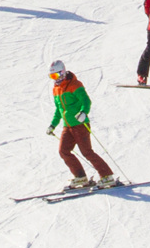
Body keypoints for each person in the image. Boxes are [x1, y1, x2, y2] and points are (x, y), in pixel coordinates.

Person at [46, 60, 117, 189]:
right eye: (51, 77)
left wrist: (83, 112)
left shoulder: (75, 85)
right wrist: (53, 125)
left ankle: (107, 176)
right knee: (63, 151)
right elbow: (59, 109)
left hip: (80, 124)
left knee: (87, 152)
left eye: (55, 76)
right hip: (67, 126)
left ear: (62, 73)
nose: (54, 79)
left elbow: (86, 101)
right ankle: (80, 177)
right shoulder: (56, 89)